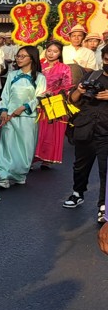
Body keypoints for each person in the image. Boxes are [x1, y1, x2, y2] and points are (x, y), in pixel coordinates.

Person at [63, 45, 108, 223]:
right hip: (86, 127)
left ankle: (103, 206)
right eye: (106, 59)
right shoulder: (92, 76)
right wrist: (80, 91)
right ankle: (77, 193)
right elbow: (72, 99)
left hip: (106, 130)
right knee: (80, 166)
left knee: (105, 170)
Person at [0, 45, 46, 189]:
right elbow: (5, 94)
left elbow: (40, 96)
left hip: (28, 117)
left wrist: (23, 107)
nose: (19, 59)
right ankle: (4, 176)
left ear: (32, 58)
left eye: (23, 56)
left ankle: (19, 174)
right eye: (18, 56)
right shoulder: (12, 75)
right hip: (10, 116)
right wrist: (4, 110)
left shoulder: (40, 77)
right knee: (7, 145)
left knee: (25, 147)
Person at [34, 42, 73, 167]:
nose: (51, 54)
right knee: (37, 131)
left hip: (55, 102)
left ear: (60, 53)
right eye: (49, 50)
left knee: (52, 132)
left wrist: (54, 93)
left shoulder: (64, 68)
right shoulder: (39, 65)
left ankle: (48, 158)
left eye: (55, 51)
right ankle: (32, 157)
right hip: (37, 101)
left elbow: (67, 87)